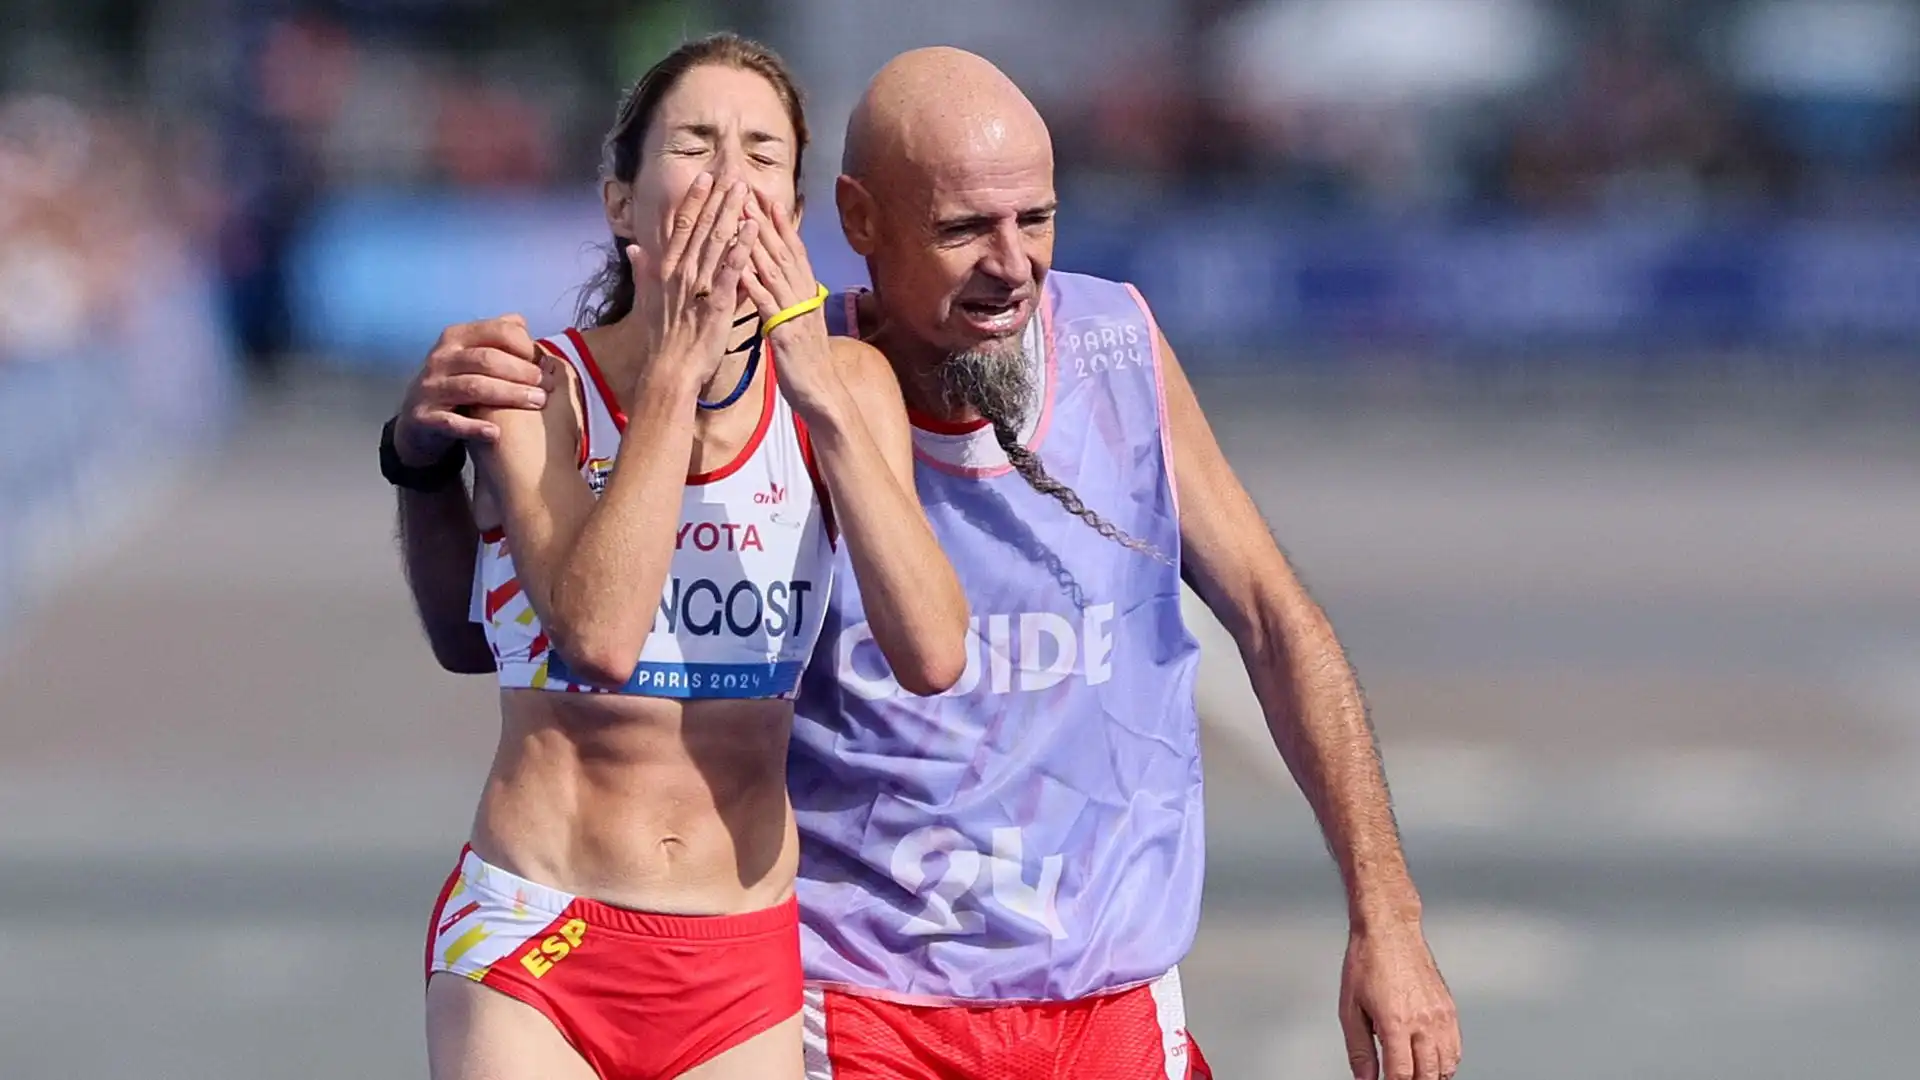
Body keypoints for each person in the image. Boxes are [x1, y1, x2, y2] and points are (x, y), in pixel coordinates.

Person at [388, 44, 1461, 1080]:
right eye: (963, 229)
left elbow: (1270, 618)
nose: (1013, 265)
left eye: (1035, 219)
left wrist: (1389, 917)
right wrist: (422, 461)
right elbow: (496, 638)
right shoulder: (581, 384)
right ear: (858, 222)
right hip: (844, 1001)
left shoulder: (1097, 348)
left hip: (1086, 997)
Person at [388, 33, 969, 1080]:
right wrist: (676, 367)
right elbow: (601, 638)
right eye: (695, 144)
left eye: (761, 152)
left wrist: (818, 395)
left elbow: (932, 653)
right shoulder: (538, 387)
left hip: (735, 954)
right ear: (621, 202)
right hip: (539, 931)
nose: (728, 178)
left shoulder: (850, 385)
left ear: (792, 213)